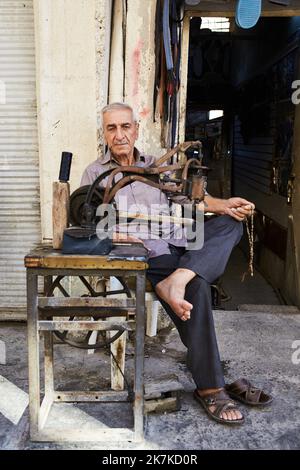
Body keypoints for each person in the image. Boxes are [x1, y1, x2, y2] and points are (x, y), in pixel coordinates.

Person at [81, 102, 271, 425]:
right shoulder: (96, 173)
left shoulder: (158, 165)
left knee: (230, 225)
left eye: (125, 126)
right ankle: (212, 388)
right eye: (112, 128)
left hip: (181, 245)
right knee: (197, 289)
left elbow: (190, 198)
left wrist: (225, 205)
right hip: (146, 254)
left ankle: (179, 279)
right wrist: (124, 236)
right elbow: (91, 225)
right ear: (105, 133)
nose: (120, 135)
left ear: (135, 129)